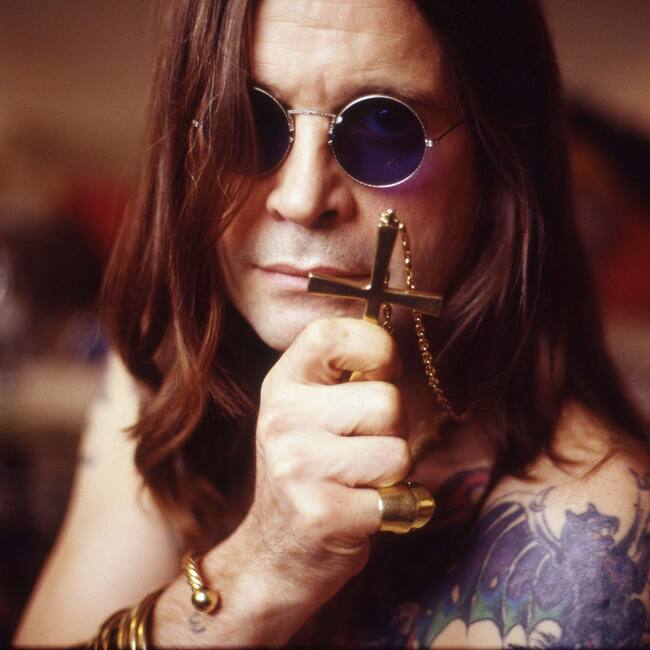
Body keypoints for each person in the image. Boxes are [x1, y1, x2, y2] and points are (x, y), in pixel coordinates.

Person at [15, 0, 650, 647]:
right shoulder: (165, 363)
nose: (300, 198)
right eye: (246, 120)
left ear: (498, 163)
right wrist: (258, 572)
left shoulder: (588, 534)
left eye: (384, 126)